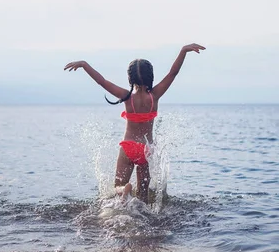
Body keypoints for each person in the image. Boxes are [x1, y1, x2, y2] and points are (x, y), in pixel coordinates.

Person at [64, 43, 205, 203]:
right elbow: (173, 73)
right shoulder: (155, 96)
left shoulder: (126, 97)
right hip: (147, 150)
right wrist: (183, 51)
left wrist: (84, 64)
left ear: (130, 78)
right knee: (143, 196)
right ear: (150, 76)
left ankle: (124, 190)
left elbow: (102, 81)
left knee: (117, 186)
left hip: (128, 147)